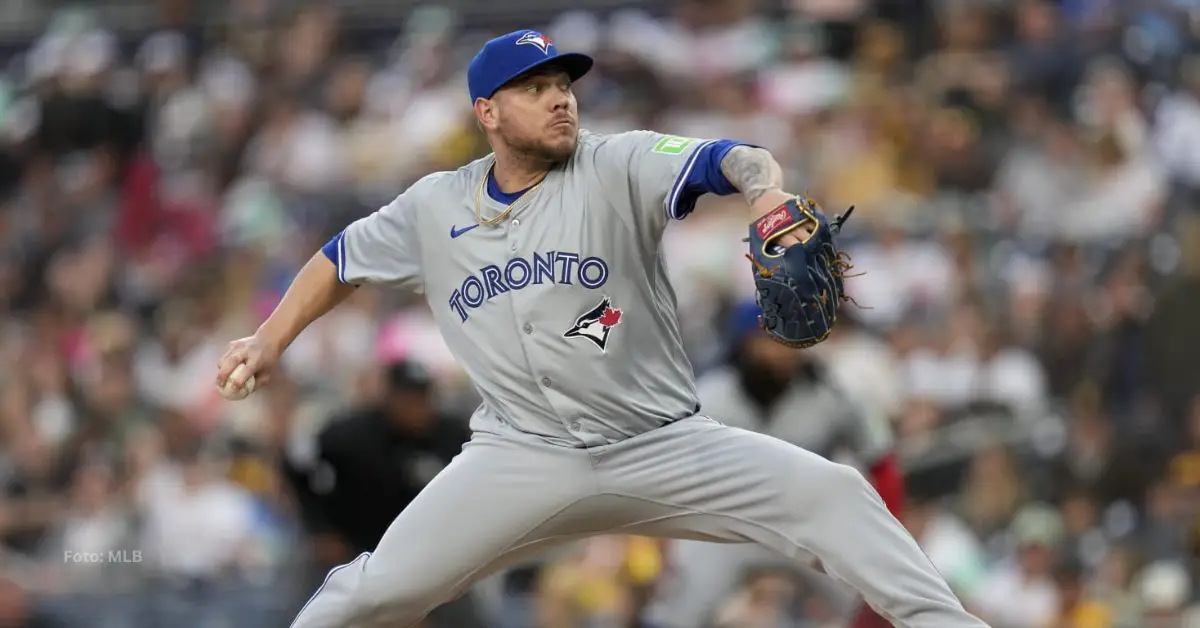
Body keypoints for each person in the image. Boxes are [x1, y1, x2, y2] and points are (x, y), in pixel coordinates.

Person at [215, 29, 987, 628]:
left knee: (835, 494)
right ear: (487, 112)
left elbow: (734, 158)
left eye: (564, 84)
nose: (560, 99)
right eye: (535, 88)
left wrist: (765, 194)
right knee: (374, 592)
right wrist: (270, 339)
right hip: (520, 455)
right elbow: (340, 259)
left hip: (663, 443)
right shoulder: (432, 207)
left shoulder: (617, 163)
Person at [648, 301, 904, 628]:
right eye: (770, 338)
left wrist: (885, 533)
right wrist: (665, 542)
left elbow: (883, 464)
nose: (783, 349)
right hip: (729, 529)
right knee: (677, 611)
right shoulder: (709, 396)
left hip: (808, 530)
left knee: (881, 599)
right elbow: (666, 472)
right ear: (745, 343)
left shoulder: (832, 394)